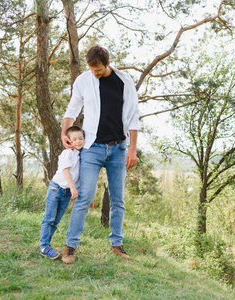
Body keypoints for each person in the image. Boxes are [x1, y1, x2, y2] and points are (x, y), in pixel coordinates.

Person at [61, 45, 140, 264]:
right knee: (84, 196)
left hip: (118, 149)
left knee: (118, 200)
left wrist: (132, 148)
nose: (94, 73)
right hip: (92, 148)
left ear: (107, 64)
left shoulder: (125, 81)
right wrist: (63, 133)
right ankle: (70, 246)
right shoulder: (83, 80)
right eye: (91, 69)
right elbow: (72, 109)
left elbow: (134, 115)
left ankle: (117, 244)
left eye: (98, 70)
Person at [39, 125, 85, 259]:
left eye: (80, 138)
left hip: (67, 193)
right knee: (49, 218)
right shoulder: (68, 153)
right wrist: (73, 187)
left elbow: (80, 176)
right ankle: (44, 246)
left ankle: (46, 245)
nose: (78, 141)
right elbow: (65, 170)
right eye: (75, 139)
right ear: (69, 141)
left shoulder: (82, 155)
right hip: (56, 188)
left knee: (56, 220)